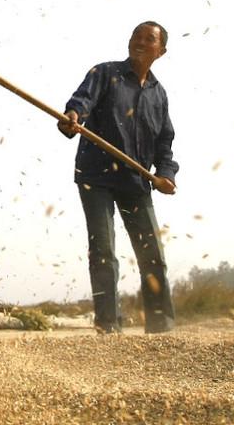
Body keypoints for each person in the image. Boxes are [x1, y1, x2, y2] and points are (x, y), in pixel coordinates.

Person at [57, 21, 178, 334]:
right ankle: (108, 326)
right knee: (103, 252)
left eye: (148, 38)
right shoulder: (104, 73)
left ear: (161, 51)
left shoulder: (158, 94)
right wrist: (72, 118)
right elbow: (81, 103)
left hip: (136, 182)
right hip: (95, 176)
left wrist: (165, 174)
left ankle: (161, 326)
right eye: (136, 36)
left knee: (152, 255)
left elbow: (165, 143)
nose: (139, 41)